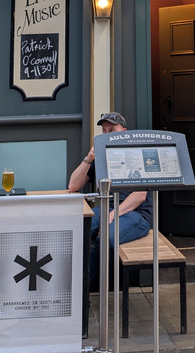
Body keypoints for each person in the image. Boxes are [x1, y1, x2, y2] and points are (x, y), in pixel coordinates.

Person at [67, 112, 152, 288]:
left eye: (112, 130)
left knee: (107, 237)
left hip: (136, 214)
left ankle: (81, 289)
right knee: (75, 227)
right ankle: (69, 284)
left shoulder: (136, 155)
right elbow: (73, 186)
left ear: (124, 132)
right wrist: (88, 158)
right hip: (108, 210)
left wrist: (113, 215)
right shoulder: (102, 157)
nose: (107, 135)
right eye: (104, 131)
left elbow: (140, 195)